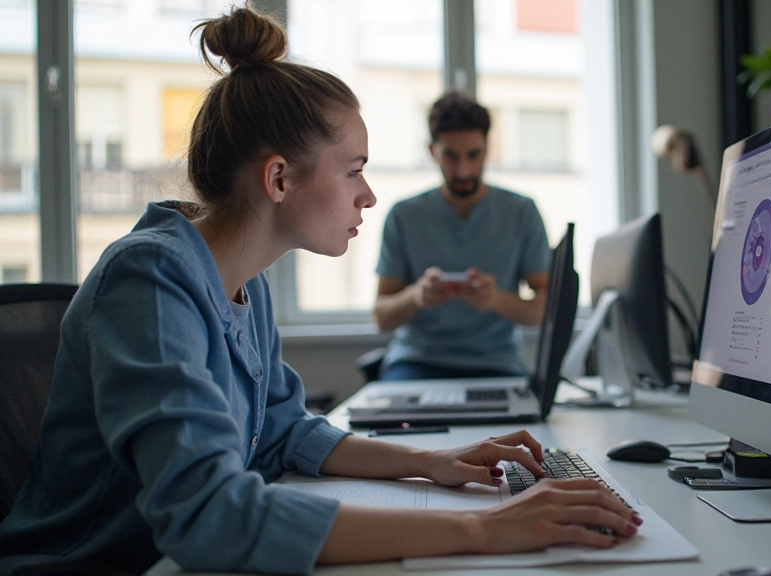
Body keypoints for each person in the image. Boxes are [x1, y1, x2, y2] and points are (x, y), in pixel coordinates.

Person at [0, 8, 639, 575]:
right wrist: (482, 529)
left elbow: (284, 434)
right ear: (278, 178)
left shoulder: (244, 281)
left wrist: (434, 462)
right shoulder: (151, 279)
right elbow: (207, 515)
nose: (369, 195)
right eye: (355, 170)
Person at [372, 91, 552, 381]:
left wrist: (495, 300)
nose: (463, 170)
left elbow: (545, 310)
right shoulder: (404, 216)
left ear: (487, 148)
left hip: (498, 364)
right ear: (432, 151)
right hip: (417, 363)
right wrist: (416, 295)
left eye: (474, 155)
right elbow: (381, 317)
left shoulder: (521, 212)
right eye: (451, 157)